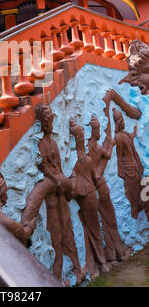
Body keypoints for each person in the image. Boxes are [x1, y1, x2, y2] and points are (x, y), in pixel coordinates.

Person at [21, 104, 85, 284]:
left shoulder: (53, 143)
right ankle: (56, 277)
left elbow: (59, 168)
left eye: (52, 120)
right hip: (51, 195)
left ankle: (77, 269)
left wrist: (62, 181)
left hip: (60, 192)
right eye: (48, 121)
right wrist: (56, 180)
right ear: (42, 122)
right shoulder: (40, 143)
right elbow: (43, 167)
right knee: (56, 237)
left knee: (68, 230)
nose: (51, 124)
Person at [87, 110, 131, 264]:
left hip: (93, 190)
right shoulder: (96, 148)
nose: (98, 133)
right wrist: (111, 143)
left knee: (105, 222)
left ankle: (113, 254)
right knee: (110, 221)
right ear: (94, 132)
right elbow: (108, 155)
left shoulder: (86, 150)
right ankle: (119, 252)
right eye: (97, 130)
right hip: (101, 188)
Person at [69, 118, 109, 280]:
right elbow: (96, 178)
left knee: (89, 229)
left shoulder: (73, 162)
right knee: (93, 228)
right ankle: (100, 263)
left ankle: (95, 265)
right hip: (91, 196)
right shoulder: (87, 160)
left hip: (83, 198)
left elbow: (72, 186)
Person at [0, 161, 35, 246]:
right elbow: (23, 234)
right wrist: (31, 227)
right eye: (6, 191)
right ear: (2, 194)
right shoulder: (6, 222)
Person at [113, 108, 144, 220]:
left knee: (140, 192)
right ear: (119, 123)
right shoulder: (118, 137)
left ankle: (138, 213)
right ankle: (134, 217)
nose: (124, 122)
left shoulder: (125, 134)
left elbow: (131, 136)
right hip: (129, 170)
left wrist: (135, 129)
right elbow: (112, 144)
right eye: (122, 121)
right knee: (132, 195)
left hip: (135, 168)